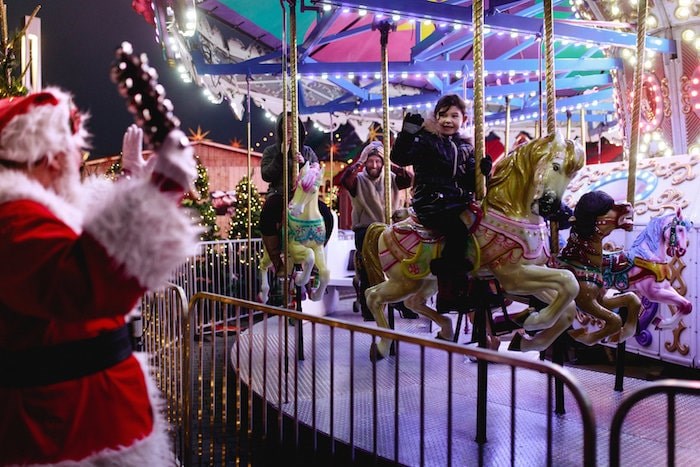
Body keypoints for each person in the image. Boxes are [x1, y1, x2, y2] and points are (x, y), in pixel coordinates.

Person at [0, 88, 199, 465]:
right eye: (72, 149)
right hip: (68, 430)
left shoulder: (29, 212)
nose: (78, 159)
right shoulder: (13, 219)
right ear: (49, 157)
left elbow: (83, 238)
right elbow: (84, 283)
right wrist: (157, 191)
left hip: (83, 420)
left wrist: (133, 184)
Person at [391, 94, 492, 312]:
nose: (448, 120)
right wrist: (407, 134)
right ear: (435, 117)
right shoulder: (426, 139)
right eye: (443, 115)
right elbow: (400, 158)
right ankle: (447, 294)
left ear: (463, 119)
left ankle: (482, 287)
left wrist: (483, 172)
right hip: (432, 202)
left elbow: (470, 183)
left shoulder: (465, 146)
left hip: (458, 203)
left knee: (486, 228)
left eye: (454, 116)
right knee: (457, 231)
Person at [339, 141, 413, 320]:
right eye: (370, 161)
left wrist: (390, 164)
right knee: (367, 268)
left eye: (378, 161)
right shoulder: (359, 180)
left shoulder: (391, 178)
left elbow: (408, 178)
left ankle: (403, 303)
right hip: (366, 229)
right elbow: (345, 180)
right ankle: (369, 308)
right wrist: (359, 162)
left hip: (391, 228)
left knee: (404, 267)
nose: (374, 165)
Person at [260, 113, 334, 276]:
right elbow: (266, 175)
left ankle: (317, 254)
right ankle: (277, 261)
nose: (289, 127)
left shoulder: (307, 151)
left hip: (303, 195)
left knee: (327, 215)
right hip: (280, 193)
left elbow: (316, 174)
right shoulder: (271, 151)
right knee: (268, 213)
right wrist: (281, 155)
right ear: (280, 128)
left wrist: (303, 163)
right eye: (285, 124)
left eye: (292, 124)